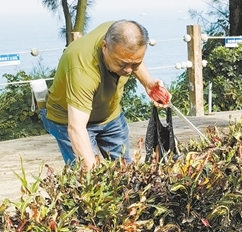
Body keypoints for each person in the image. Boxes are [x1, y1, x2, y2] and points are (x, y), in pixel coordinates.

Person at [39, 20, 171, 170]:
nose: (129, 70)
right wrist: (93, 177)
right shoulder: (83, 69)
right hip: (70, 119)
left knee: (126, 172)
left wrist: (148, 83)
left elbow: (131, 58)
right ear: (104, 47)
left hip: (110, 116)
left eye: (135, 64)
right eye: (122, 64)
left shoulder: (120, 34)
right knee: (87, 178)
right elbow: (76, 127)